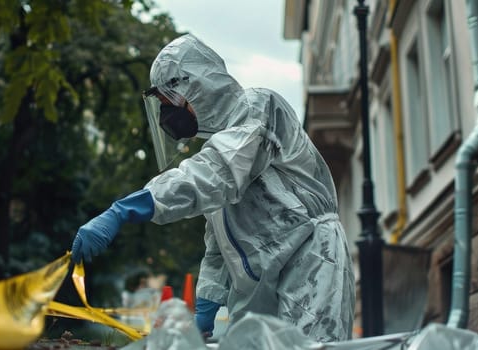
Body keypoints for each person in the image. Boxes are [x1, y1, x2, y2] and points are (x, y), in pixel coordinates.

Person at [71, 34, 355, 342]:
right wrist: (206, 305)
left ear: (198, 85)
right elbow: (222, 246)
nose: (169, 116)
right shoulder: (222, 152)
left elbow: (214, 172)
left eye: (172, 103)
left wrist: (128, 208)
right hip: (260, 283)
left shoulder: (258, 109)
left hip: (311, 263)